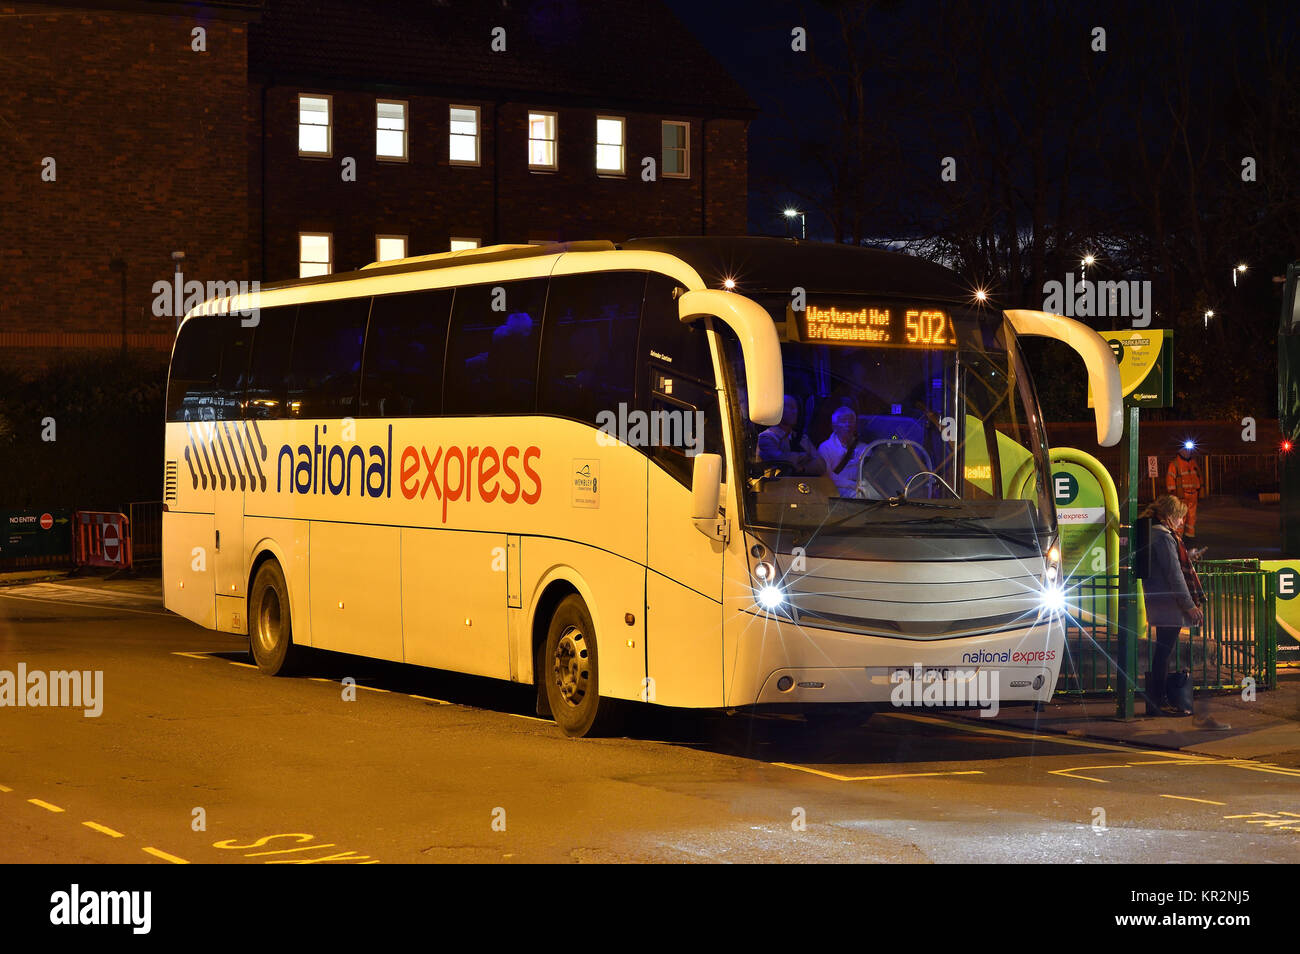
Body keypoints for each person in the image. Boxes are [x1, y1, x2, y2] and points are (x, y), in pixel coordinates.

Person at [1141, 495, 1229, 729]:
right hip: (1168, 603)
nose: (1181, 522)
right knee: (1164, 652)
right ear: (1169, 515)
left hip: (1161, 601)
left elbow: (1168, 566)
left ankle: (1157, 701)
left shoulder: (1156, 533)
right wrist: (1189, 605)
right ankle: (1158, 702)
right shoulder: (1163, 537)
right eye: (1179, 516)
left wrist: (1187, 557)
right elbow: (1174, 575)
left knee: (1163, 651)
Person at [757, 395, 826, 475]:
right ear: (779, 411)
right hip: (778, 486)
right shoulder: (766, 437)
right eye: (791, 408)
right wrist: (806, 456)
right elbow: (781, 462)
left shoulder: (802, 438)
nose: (795, 412)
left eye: (796, 408)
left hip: (803, 484)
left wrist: (803, 468)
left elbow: (821, 465)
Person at [818, 406, 866, 495]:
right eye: (844, 421)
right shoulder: (825, 448)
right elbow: (828, 476)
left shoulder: (864, 448)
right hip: (836, 490)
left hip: (862, 487)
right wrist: (853, 485)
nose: (848, 424)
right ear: (834, 426)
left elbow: (868, 473)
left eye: (851, 421)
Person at [1165, 444, 1202, 539]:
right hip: (1181, 495)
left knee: (1191, 516)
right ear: (1180, 451)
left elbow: (1198, 476)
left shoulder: (1193, 463)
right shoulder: (1175, 464)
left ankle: (1189, 535)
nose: (1188, 452)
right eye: (1186, 450)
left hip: (1193, 494)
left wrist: (1200, 489)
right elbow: (1170, 478)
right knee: (1180, 516)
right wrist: (1172, 492)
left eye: (1189, 450)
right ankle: (1178, 536)